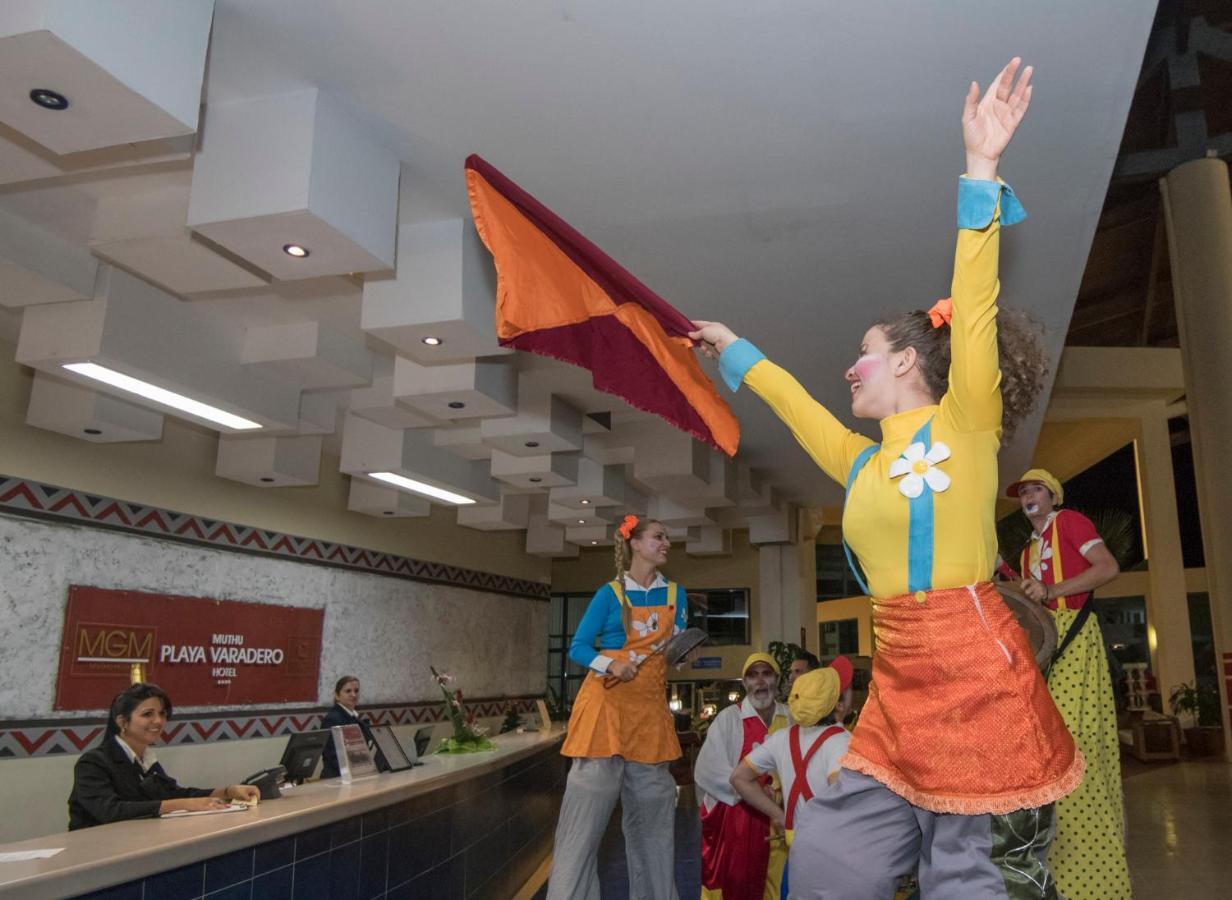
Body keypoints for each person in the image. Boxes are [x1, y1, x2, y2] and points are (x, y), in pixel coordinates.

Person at [691, 59, 1082, 898]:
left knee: (971, 879)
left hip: (980, 688)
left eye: (865, 352)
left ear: (907, 359)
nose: (850, 367)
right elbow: (797, 407)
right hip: (896, 693)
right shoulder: (861, 461)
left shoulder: (966, 423)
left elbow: (972, 300)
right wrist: (736, 349)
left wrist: (981, 169)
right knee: (832, 860)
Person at [546, 515, 688, 900]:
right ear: (636, 544)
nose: (666, 543)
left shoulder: (677, 594)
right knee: (581, 834)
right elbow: (578, 647)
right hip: (603, 715)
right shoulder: (608, 593)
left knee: (655, 835)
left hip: (650, 720)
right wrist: (612, 664)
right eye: (659, 537)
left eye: (667, 537)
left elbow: (673, 653)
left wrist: (682, 654)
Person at [1005, 468, 1131, 899]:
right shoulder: (1027, 550)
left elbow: (1108, 567)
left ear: (1053, 496)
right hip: (1048, 648)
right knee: (1050, 748)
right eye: (1023, 491)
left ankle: (1098, 872)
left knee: (1076, 747)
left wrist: (1052, 589)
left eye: (1035, 488)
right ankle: (1061, 866)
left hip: (1076, 638)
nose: (1027, 496)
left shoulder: (1071, 522)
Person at [731, 657, 855, 900]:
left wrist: (779, 815)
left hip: (797, 848)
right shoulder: (841, 741)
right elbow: (842, 798)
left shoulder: (782, 737)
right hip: (833, 855)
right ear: (835, 703)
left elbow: (739, 777)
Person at [68, 682, 260, 830]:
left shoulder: (146, 760)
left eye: (162, 714)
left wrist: (226, 792)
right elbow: (111, 811)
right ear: (122, 721)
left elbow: (174, 793)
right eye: (147, 714)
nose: (158, 721)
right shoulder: (93, 762)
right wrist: (183, 804)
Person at [694, 652, 790, 900]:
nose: (760, 682)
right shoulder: (729, 719)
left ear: (776, 679)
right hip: (738, 823)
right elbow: (707, 771)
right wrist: (755, 791)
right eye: (753, 675)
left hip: (783, 818)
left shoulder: (791, 718)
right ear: (744, 682)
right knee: (736, 885)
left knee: (779, 883)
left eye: (766, 673)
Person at [320, 675, 378, 778]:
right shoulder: (332, 719)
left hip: (356, 775)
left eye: (356, 690)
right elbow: (334, 756)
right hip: (337, 778)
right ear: (337, 695)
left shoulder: (355, 718)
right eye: (348, 691)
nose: (353, 694)